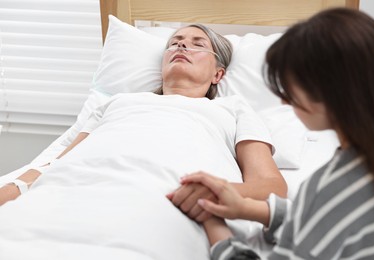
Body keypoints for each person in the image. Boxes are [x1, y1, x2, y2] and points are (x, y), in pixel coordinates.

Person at [0, 24, 286, 259]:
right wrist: (13, 189)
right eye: (174, 43)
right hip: (65, 192)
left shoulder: (233, 109)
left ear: (218, 74)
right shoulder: (118, 102)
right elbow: (54, 165)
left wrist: (218, 192)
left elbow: (272, 187)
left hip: (165, 200)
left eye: (197, 43)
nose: (181, 46)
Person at [179, 8, 374, 260]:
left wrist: (214, 226)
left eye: (288, 90)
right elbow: (323, 220)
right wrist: (248, 208)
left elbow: (326, 215)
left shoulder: (332, 189)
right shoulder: (369, 163)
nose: (283, 102)